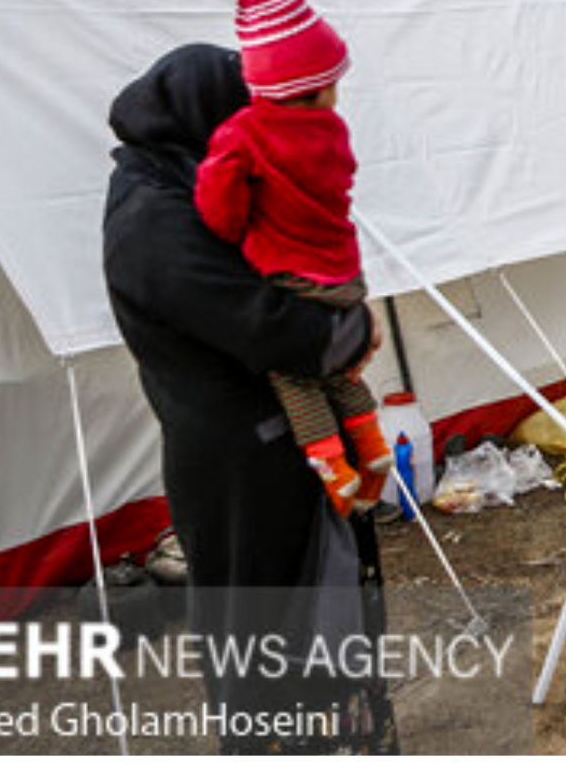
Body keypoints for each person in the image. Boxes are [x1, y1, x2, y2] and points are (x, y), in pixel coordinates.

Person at [103, 43, 391, 751]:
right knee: (272, 644)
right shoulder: (152, 218)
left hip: (280, 451)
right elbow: (272, 327)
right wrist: (349, 324)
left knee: (326, 626)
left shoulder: (189, 180)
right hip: (242, 468)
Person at [195, 0, 392, 518]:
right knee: (341, 371)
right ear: (318, 85)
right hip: (345, 277)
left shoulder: (242, 134)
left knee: (296, 375)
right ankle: (373, 446)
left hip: (292, 276)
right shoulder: (333, 130)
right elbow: (344, 180)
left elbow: (220, 211)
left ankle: (334, 468)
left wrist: (238, 227)